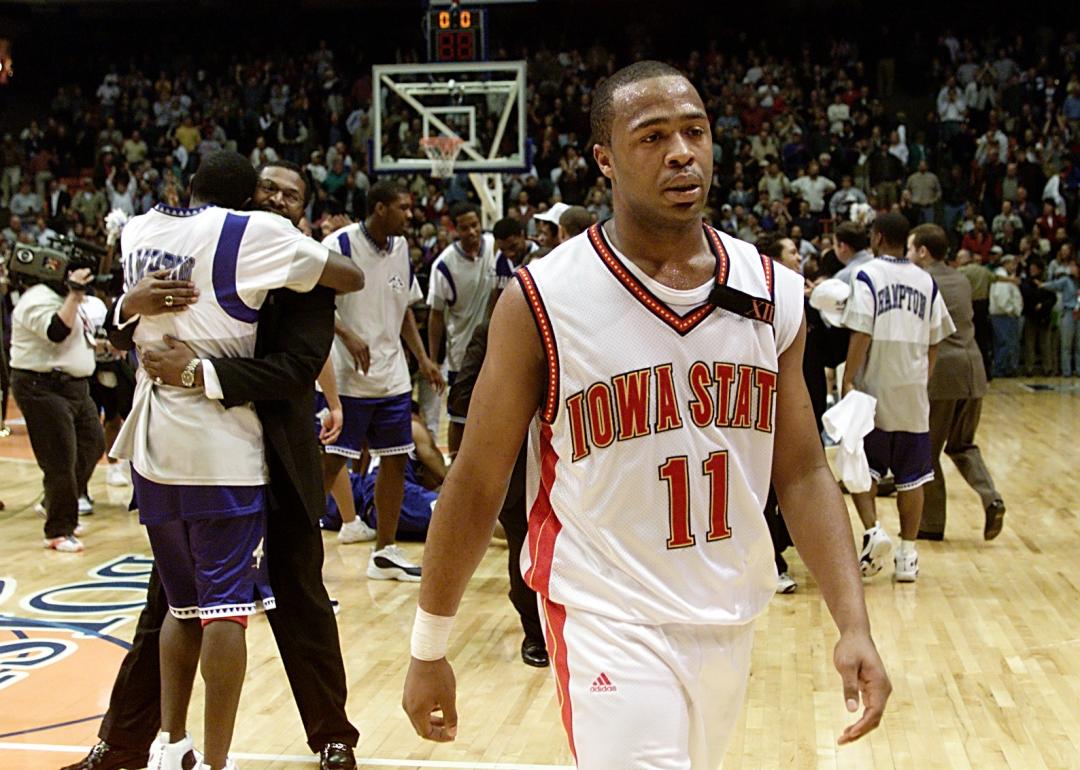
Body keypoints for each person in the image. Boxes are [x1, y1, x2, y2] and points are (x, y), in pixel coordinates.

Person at [403, 60, 889, 769]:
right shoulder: (541, 301)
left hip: (728, 611)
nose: (682, 152)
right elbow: (476, 482)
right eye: (652, 136)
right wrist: (428, 648)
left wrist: (853, 623)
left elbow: (804, 470)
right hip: (602, 612)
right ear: (604, 159)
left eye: (694, 131)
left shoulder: (773, 292)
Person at [62, 160, 363, 770]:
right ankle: (120, 746)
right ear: (246, 198)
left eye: (292, 194)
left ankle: (333, 737)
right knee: (166, 611)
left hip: (276, 459)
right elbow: (131, 335)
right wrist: (127, 305)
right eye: (269, 189)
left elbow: (294, 370)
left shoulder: (303, 271)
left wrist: (198, 372)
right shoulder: (212, 244)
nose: (278, 197)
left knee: (301, 607)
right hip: (212, 455)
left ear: (304, 210)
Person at [319, 180, 444, 580]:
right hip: (348, 378)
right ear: (378, 209)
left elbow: (404, 306)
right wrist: (348, 334)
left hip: (392, 376)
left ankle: (385, 551)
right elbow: (317, 307)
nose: (409, 215)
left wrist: (422, 357)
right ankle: (293, 549)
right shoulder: (338, 246)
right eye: (401, 208)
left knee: (395, 460)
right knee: (330, 462)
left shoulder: (402, 249)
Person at [841, 213, 955, 583]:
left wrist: (848, 379)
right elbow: (937, 337)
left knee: (859, 467)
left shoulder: (867, 275)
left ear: (876, 237)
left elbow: (861, 332)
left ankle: (874, 532)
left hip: (875, 385)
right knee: (914, 476)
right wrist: (923, 375)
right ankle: (908, 555)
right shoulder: (926, 280)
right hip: (912, 388)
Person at [906, 223, 1005, 541]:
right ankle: (991, 497)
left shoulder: (922, 281)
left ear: (922, 251)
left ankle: (932, 525)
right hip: (973, 369)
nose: (907, 255)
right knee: (963, 445)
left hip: (943, 374)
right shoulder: (961, 278)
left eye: (910, 249)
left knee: (929, 452)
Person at [9, 263, 106, 552]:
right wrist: (75, 295)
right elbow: (56, 331)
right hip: (42, 386)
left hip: (75, 386)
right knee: (60, 458)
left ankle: (55, 504)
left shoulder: (74, 301)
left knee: (93, 444)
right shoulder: (35, 298)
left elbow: (79, 338)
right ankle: (58, 530)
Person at [426, 202, 501, 457]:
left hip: (497, 347)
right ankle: (453, 466)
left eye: (475, 225)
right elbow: (435, 315)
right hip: (461, 353)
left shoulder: (494, 246)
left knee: (495, 408)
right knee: (458, 415)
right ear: (454, 229)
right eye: (465, 227)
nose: (472, 232)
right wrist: (432, 359)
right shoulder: (444, 264)